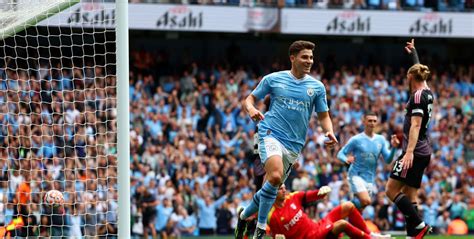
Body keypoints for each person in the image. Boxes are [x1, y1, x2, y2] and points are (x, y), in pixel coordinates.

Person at [236, 40, 338, 239]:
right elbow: (249, 99)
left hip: (294, 145)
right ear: (293, 58)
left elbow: (324, 115)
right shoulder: (273, 79)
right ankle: (260, 227)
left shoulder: (317, 87)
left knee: (272, 186)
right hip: (269, 133)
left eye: (311, 57)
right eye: (305, 57)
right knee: (274, 177)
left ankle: (245, 215)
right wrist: (251, 109)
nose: (309, 61)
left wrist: (329, 131)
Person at [385, 39, 434, 238]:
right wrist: (413, 54)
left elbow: (415, 124)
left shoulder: (416, 97)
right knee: (410, 193)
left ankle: (419, 224)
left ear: (410, 76)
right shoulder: (427, 92)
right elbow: (418, 71)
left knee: (391, 190)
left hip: (414, 152)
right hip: (424, 151)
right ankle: (413, 234)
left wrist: (408, 152)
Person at [267, 184, 390, 239]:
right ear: (273, 192)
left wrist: (321, 192)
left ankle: (371, 234)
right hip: (313, 237)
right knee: (342, 224)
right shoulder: (272, 216)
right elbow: (276, 236)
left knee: (348, 205)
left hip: (318, 227)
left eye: (284, 187)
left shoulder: (293, 197)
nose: (284, 190)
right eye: (280, 189)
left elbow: (312, 195)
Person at [337, 112, 400, 210]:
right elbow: (340, 154)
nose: (372, 123)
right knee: (366, 200)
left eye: (374, 121)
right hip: (356, 175)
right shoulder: (356, 139)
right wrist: (346, 159)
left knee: (361, 208)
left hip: (370, 178)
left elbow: (388, 160)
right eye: (370, 121)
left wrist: (394, 148)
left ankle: (347, 209)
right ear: (364, 122)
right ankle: (343, 206)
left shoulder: (381, 139)